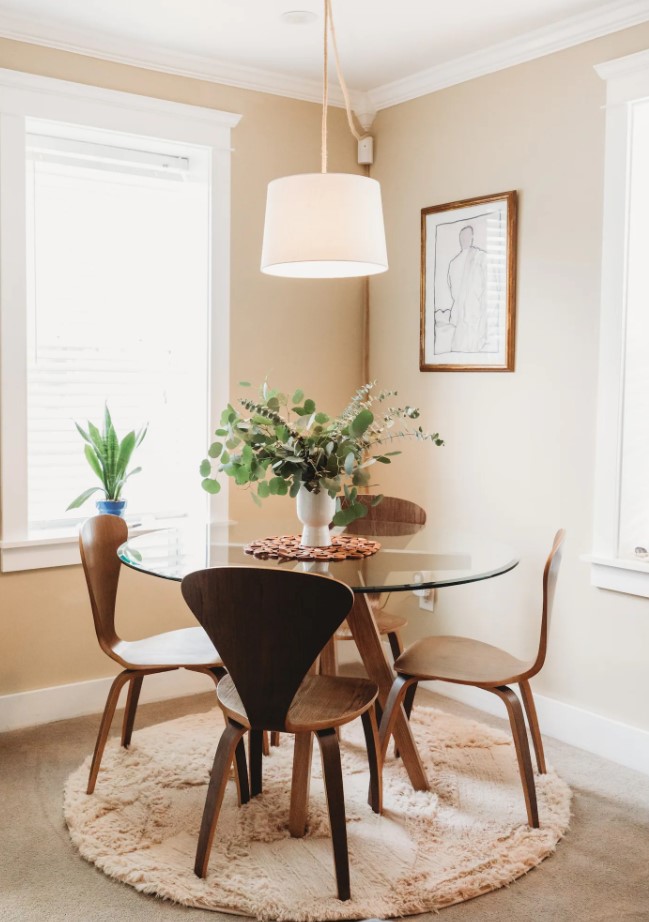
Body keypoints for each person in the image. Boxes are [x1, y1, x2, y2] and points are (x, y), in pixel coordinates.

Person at [447, 225, 488, 353]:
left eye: (466, 236)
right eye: (462, 237)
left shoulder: (480, 257)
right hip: (463, 317)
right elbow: (453, 290)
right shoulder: (454, 263)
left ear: (472, 238)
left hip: (474, 316)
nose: (464, 239)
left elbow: (486, 288)